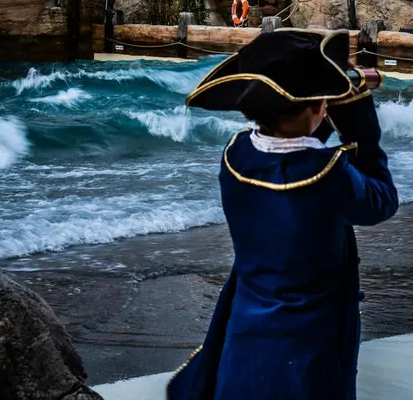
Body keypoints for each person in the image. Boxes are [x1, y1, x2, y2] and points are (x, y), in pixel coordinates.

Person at [168, 29, 399, 400]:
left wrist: (326, 105)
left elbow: (291, 147)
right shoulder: (329, 173)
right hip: (310, 342)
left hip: (246, 330)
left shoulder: (236, 155)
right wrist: (360, 125)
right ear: (319, 105)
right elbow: (382, 201)